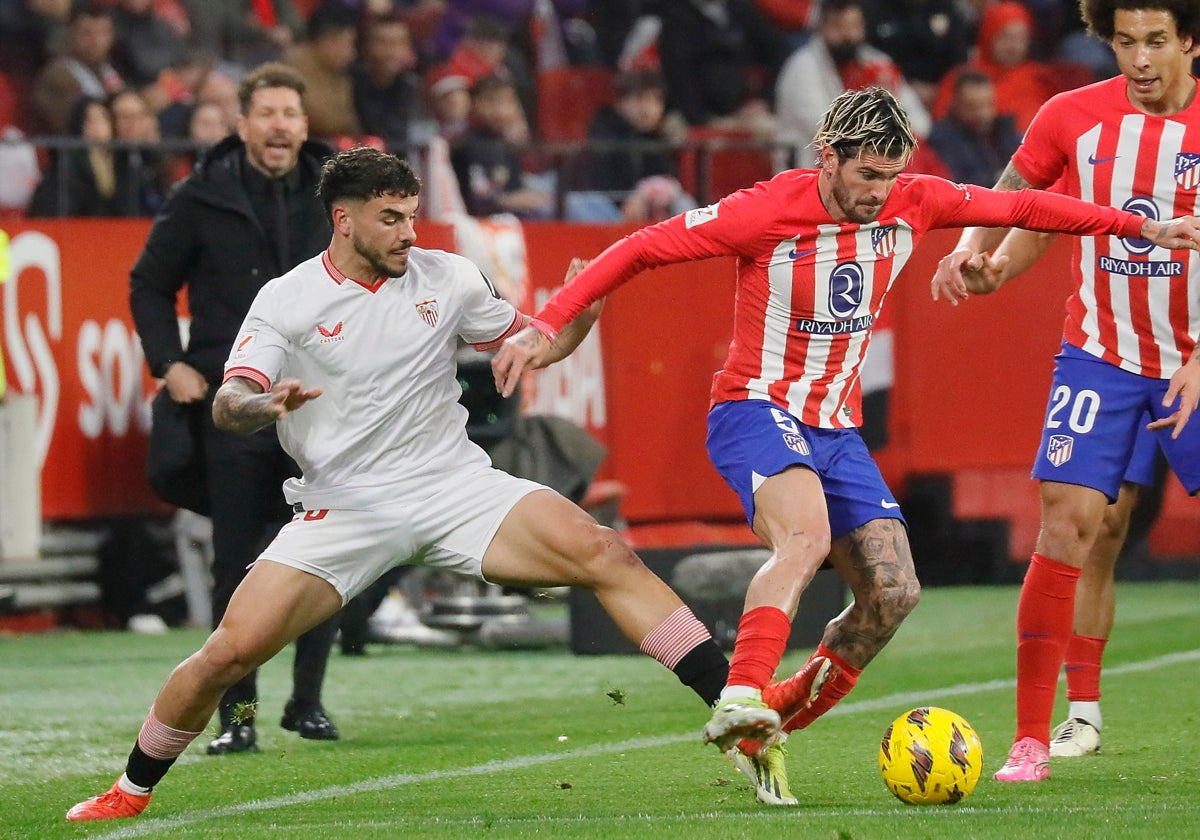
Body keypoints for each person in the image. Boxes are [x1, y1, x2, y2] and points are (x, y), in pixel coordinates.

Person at [490, 86, 1200, 806]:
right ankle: (741, 691)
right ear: (828, 157)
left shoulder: (913, 201)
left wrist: (1139, 228)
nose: (878, 192)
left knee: (894, 593)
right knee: (803, 540)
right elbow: (640, 248)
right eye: (866, 175)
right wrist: (547, 324)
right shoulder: (765, 210)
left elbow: (1022, 206)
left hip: (836, 427)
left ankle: (776, 717)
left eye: (890, 176)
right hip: (756, 409)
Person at [65, 146, 742, 822]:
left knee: (607, 553)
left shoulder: (448, 278)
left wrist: (581, 315)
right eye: (391, 219)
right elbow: (227, 401)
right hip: (345, 506)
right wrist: (263, 405)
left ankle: (738, 709)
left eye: (413, 216)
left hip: (452, 487)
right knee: (227, 655)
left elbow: (534, 341)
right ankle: (130, 790)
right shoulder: (288, 299)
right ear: (344, 220)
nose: (409, 234)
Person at [931, 0, 1200, 783]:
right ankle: (1038, 736)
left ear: (1190, 38)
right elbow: (1026, 201)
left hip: (1193, 353)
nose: (1140, 59)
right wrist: (983, 258)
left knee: (1103, 529)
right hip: (1102, 355)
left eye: (1156, 41)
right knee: (1073, 524)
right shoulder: (1072, 116)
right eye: (1125, 42)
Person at [128, 62, 343, 757]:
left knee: (329, 550)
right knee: (236, 560)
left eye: (291, 113)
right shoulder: (200, 196)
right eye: (268, 113)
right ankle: (237, 716)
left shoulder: (339, 193)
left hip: (320, 397)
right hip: (239, 399)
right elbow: (149, 284)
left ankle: (307, 701)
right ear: (243, 125)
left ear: (304, 126)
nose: (280, 125)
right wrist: (172, 363)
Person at [774, 0, 930, 166]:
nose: (848, 35)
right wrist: (881, 121)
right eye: (839, 27)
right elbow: (824, 127)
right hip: (811, 167)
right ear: (822, 26)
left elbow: (920, 122)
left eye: (854, 26)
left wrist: (890, 104)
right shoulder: (802, 67)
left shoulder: (877, 62)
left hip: (876, 161)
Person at [30, 4, 125, 135]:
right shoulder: (57, 74)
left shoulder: (110, 70)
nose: (96, 41)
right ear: (71, 34)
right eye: (87, 33)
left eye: (103, 33)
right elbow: (72, 123)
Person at [925, 69, 1021, 186]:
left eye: (987, 105)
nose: (983, 114)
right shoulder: (942, 139)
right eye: (973, 107)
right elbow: (954, 184)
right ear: (957, 104)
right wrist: (998, 179)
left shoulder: (1004, 130)